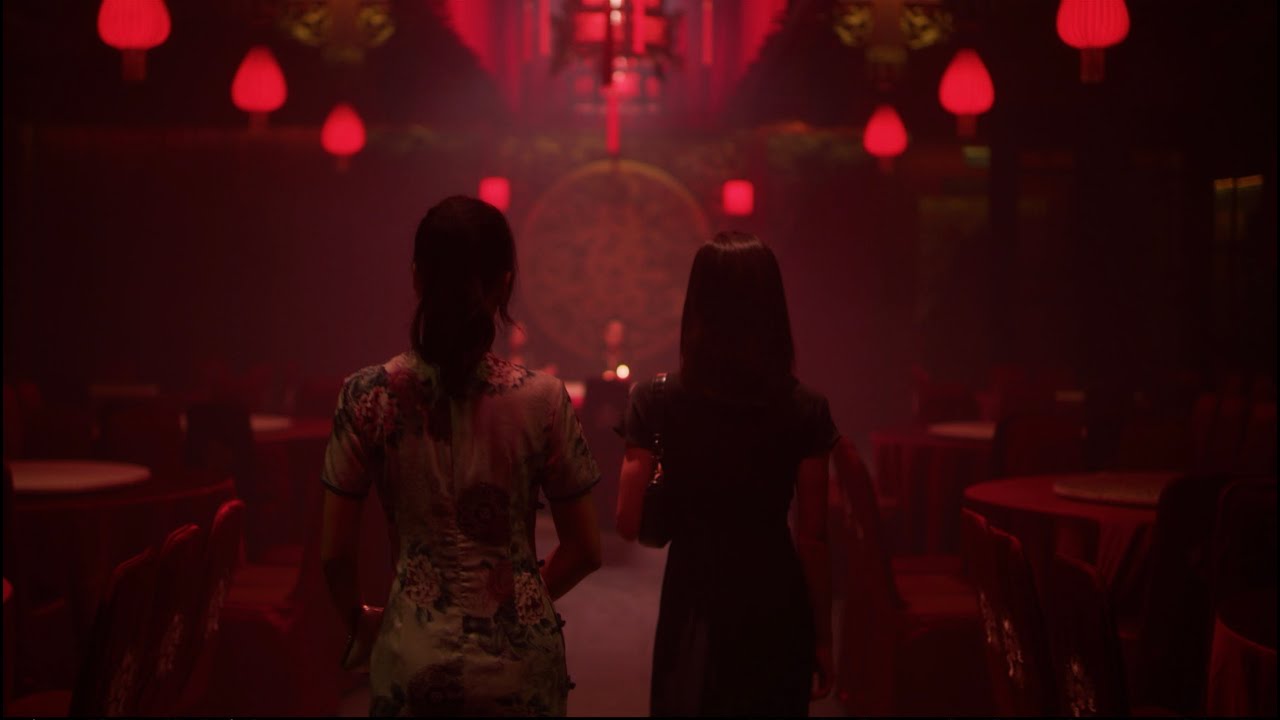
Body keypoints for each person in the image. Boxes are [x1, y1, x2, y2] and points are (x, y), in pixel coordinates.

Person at [320, 195, 604, 717]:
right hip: (520, 665)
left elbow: (335, 553)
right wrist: (518, 599)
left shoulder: (366, 395)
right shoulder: (543, 399)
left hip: (412, 649)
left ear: (416, 278)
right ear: (505, 284)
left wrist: (361, 622)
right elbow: (586, 548)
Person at [616, 231, 838, 716]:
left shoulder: (654, 400)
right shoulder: (806, 408)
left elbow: (628, 520)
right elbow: (813, 538)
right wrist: (822, 637)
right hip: (774, 600)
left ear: (696, 306)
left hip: (693, 597)